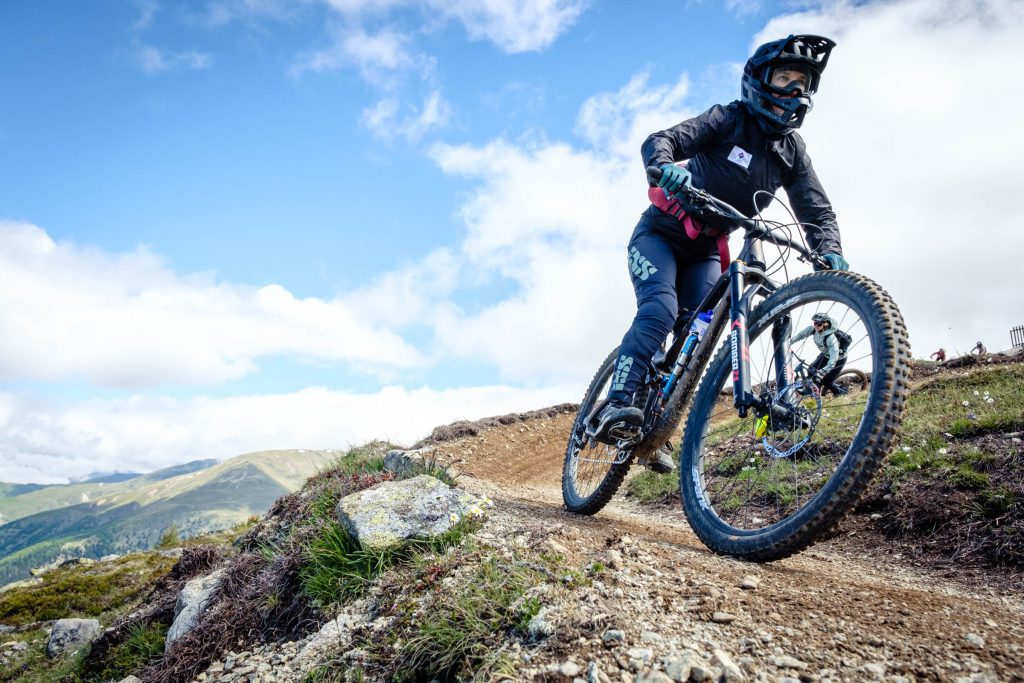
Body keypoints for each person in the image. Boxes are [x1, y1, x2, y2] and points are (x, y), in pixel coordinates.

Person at [590, 34, 847, 472]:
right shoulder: (728, 118)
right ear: (759, 81)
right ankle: (618, 403)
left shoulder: (791, 152)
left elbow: (815, 207)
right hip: (661, 234)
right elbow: (663, 139)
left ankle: (658, 424)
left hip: (709, 248)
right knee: (660, 312)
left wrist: (830, 251)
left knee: (697, 335)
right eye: (784, 78)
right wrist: (665, 166)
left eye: (802, 83)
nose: (793, 91)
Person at [791, 313, 848, 396]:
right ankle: (814, 392)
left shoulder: (831, 338)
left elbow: (833, 358)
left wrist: (824, 370)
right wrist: (788, 343)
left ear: (825, 324)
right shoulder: (813, 330)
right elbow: (800, 335)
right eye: (815, 323)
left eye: (819, 324)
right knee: (811, 370)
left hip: (839, 359)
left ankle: (840, 393)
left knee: (827, 381)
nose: (816, 326)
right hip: (825, 355)